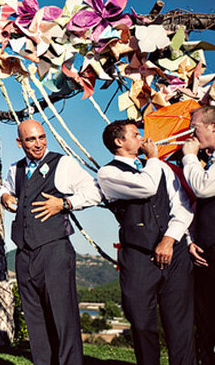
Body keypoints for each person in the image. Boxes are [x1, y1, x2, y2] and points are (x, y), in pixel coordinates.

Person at [0, 119, 101, 365]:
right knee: (35, 319)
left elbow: (94, 191)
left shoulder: (62, 164)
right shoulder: (16, 169)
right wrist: (4, 197)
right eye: (31, 139)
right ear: (19, 142)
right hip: (24, 253)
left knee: (63, 318)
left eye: (42, 137)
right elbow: (6, 187)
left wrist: (65, 204)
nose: (38, 144)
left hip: (54, 249)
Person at [97, 120, 196, 365]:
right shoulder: (108, 173)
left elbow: (183, 207)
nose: (142, 138)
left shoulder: (161, 168)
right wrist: (153, 159)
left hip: (175, 254)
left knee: (180, 325)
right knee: (142, 325)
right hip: (138, 258)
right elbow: (146, 187)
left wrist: (170, 239)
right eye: (134, 134)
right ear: (119, 142)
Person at [182, 106, 215, 365]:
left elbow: (203, 189)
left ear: (213, 127)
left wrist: (189, 158)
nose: (192, 133)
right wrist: (192, 239)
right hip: (206, 250)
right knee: (204, 318)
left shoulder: (199, 161)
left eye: (196, 127)